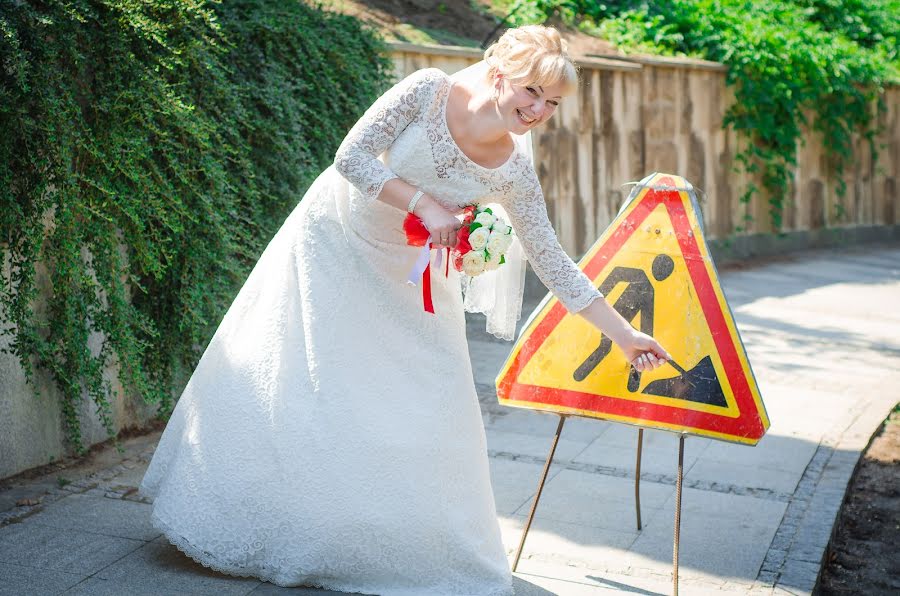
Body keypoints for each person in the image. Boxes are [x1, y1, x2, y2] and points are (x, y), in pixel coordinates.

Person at [139, 24, 670, 596]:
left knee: (431, 399)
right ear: (500, 77)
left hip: (411, 276)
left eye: (552, 102)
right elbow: (351, 156)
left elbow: (553, 260)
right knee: (310, 386)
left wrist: (624, 334)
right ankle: (268, 522)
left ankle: (398, 544)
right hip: (335, 242)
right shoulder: (428, 90)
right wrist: (426, 204)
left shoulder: (514, 171)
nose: (538, 109)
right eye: (530, 93)